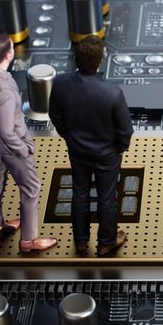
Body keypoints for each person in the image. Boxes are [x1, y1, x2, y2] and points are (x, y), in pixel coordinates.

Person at [0, 32, 57, 254]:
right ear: (9, 53)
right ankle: (29, 241)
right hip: (11, 146)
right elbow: (8, 131)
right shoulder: (5, 91)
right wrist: (24, 149)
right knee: (31, 188)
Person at [49, 36, 133, 256]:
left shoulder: (60, 83)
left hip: (77, 151)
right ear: (100, 61)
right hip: (106, 154)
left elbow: (55, 116)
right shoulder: (112, 93)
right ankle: (106, 242)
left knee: (80, 193)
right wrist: (120, 148)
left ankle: (80, 241)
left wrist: (68, 137)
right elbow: (126, 130)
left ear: (76, 59)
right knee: (106, 197)